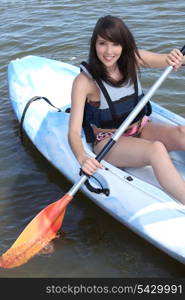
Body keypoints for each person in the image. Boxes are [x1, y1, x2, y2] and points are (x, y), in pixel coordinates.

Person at [68, 15, 185, 205]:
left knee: (182, 132)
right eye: (102, 43)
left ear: (123, 45)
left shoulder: (134, 59)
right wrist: (82, 158)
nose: (108, 51)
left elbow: (168, 60)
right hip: (108, 142)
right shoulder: (84, 82)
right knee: (156, 150)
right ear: (94, 45)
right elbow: (73, 131)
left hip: (140, 128)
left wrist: (176, 58)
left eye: (115, 44)